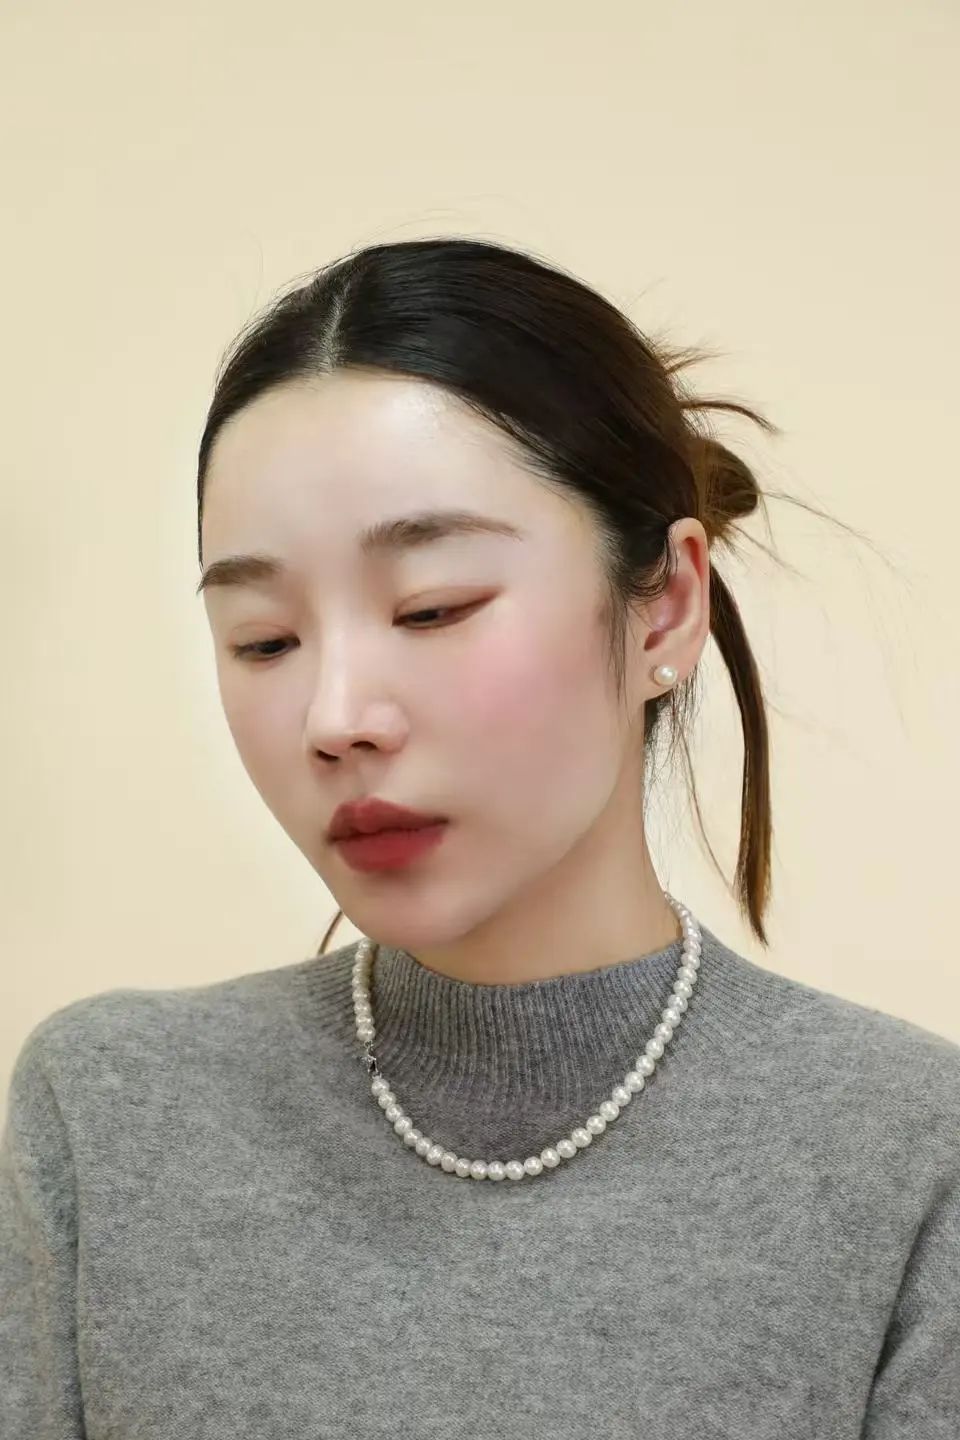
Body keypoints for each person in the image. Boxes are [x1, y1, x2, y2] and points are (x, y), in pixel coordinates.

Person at [2, 237, 957, 1437]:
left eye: (432, 609)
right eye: (264, 640)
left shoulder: (907, 1155)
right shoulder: (110, 1115)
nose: (336, 717)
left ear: (666, 605)